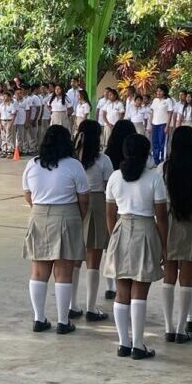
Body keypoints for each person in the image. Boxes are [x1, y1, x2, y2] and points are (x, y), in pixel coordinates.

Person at [103, 134, 168, 359]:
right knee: (140, 289)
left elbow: (109, 213)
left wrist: (115, 236)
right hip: (146, 228)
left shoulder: (115, 177)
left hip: (122, 228)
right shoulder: (153, 178)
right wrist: (164, 245)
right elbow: (162, 216)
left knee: (122, 291)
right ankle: (138, 345)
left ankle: (123, 343)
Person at [22, 125, 90, 334]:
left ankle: (39, 318)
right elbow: (84, 199)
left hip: (39, 214)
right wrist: (77, 217)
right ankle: (62, 321)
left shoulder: (32, 165)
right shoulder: (73, 165)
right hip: (67, 214)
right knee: (64, 271)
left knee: (39, 270)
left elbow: (27, 194)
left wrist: (40, 209)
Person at [160, 126, 192, 344]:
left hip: (169, 220)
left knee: (169, 274)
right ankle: (181, 329)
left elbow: (158, 201)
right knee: (187, 277)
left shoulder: (163, 168)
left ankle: (168, 327)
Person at [71, 120, 114, 322]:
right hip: (97, 203)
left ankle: (71, 305)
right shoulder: (103, 160)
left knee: (73, 259)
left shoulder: (72, 159)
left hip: (74, 203)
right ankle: (90, 306)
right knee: (93, 260)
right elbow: (109, 187)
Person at [150, 85, 173, 164]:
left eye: (160, 91)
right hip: (154, 124)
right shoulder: (155, 100)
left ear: (164, 92)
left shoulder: (168, 100)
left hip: (163, 124)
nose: (158, 92)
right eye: (157, 91)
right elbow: (152, 112)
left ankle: (163, 161)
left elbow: (170, 113)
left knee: (162, 143)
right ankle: (155, 160)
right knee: (154, 142)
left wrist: (167, 126)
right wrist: (150, 124)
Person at [0, 91, 17, 158]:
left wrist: (11, 123)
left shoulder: (12, 105)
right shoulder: (1, 105)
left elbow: (14, 115)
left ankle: (10, 151)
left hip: (9, 121)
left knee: (9, 136)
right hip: (3, 121)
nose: (4, 98)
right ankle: (4, 150)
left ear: (9, 97)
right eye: (3, 96)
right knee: (3, 136)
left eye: (6, 96)